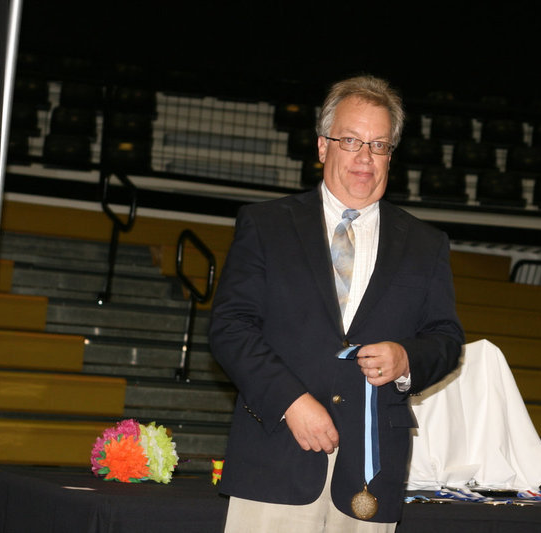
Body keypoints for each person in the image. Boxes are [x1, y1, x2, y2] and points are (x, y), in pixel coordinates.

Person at [209, 74, 464, 532]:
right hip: (276, 457)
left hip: (371, 477)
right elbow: (230, 327)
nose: (365, 157)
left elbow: (446, 339)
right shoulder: (266, 225)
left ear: (391, 155)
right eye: (351, 140)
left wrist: (406, 358)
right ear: (323, 146)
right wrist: (291, 402)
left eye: (379, 145)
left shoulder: (426, 245)